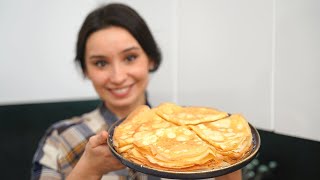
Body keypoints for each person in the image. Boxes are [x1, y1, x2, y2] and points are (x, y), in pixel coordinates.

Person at [31, 3, 241, 180]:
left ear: (151, 58)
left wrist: (231, 155)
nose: (118, 76)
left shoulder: (198, 134)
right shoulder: (60, 138)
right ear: (86, 70)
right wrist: (89, 169)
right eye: (101, 63)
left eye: (130, 58)